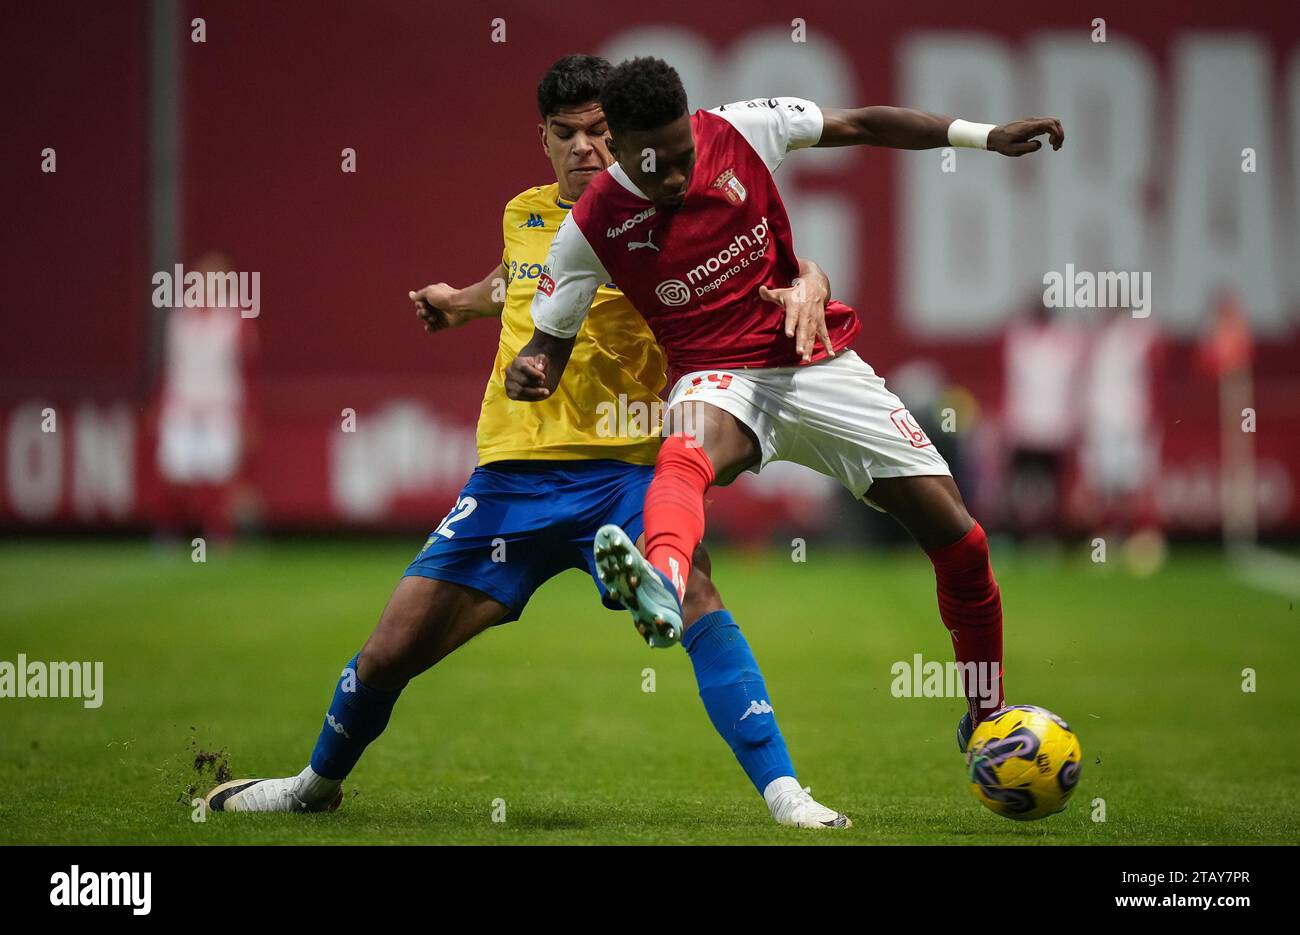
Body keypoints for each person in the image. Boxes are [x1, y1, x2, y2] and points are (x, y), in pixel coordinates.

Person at [204, 55, 849, 828]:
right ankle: (313, 787)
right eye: (568, 133)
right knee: (389, 650)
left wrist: (811, 279)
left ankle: (788, 796)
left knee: (698, 591)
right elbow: (519, 275)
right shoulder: (525, 213)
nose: (586, 147)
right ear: (542, 138)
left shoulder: (665, 215)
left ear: (626, 136)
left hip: (628, 469)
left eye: (601, 131)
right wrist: (462, 303)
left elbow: (769, 261)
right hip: (511, 477)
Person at [508, 56, 1065, 745]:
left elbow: (865, 123)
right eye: (658, 168)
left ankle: (986, 715)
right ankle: (663, 580)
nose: (679, 177)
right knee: (685, 451)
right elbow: (547, 344)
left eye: (684, 155)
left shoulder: (743, 128)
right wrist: (531, 369)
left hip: (814, 361)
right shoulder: (586, 231)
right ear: (619, 151)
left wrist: (982, 136)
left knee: (960, 536)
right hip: (716, 376)